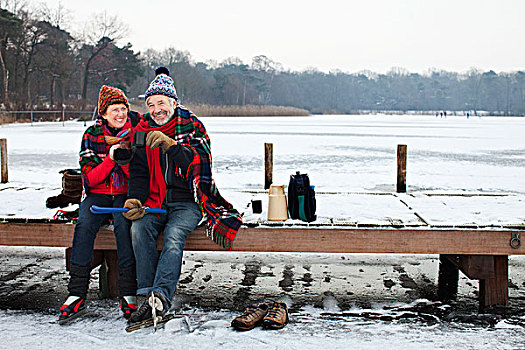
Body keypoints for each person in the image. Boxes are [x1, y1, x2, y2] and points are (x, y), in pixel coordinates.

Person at [123, 67, 242, 323]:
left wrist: (173, 146)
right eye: (151, 104)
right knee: (138, 228)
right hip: (155, 201)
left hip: (188, 201)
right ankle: (146, 295)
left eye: (162, 103)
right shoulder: (141, 131)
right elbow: (139, 171)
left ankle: (161, 297)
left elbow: (200, 163)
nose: (157, 109)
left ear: (174, 103)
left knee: (175, 235)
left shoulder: (192, 125)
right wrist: (135, 199)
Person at [58, 85, 139, 323]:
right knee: (84, 226)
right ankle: (76, 292)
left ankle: (127, 290)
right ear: (103, 113)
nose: (121, 114)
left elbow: (138, 177)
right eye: (115, 109)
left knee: (125, 228)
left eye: (123, 108)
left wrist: (123, 161)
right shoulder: (91, 135)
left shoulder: (135, 135)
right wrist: (111, 159)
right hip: (98, 194)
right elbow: (90, 179)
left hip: (124, 194)